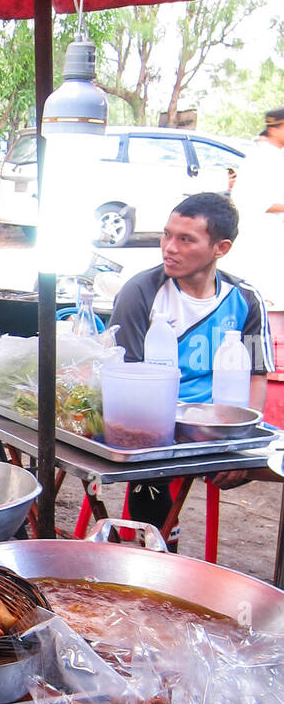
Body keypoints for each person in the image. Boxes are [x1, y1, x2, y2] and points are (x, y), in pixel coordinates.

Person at [110, 191, 273, 539]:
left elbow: (257, 376)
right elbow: (129, 382)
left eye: (186, 239)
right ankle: (161, 550)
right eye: (167, 235)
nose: (170, 247)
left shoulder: (245, 298)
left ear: (221, 248)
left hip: (221, 428)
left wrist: (241, 445)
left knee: (277, 464)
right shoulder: (140, 292)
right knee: (150, 467)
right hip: (158, 430)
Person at [227, 105, 284, 311]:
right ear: (276, 128)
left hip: (271, 235)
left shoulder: (275, 155)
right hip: (261, 235)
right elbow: (258, 201)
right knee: (261, 299)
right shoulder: (263, 158)